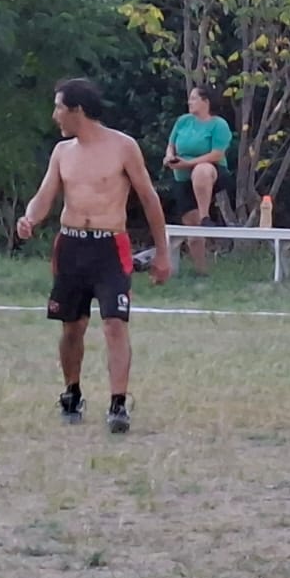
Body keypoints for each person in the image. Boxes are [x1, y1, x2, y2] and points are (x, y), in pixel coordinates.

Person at [16, 78, 172, 434]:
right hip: (71, 246)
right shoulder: (62, 152)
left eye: (59, 107)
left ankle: (118, 403)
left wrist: (163, 253)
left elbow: (149, 198)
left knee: (115, 323)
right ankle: (71, 393)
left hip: (110, 246)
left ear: (78, 110)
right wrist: (29, 218)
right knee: (73, 326)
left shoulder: (123, 147)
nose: (55, 115)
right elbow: (45, 195)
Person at [163, 84, 232, 275]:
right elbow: (171, 145)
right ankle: (201, 272)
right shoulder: (183, 121)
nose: (189, 102)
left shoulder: (218, 124)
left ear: (205, 102)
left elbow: (217, 154)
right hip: (183, 178)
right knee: (191, 229)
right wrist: (170, 157)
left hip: (211, 172)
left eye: (194, 98)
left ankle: (205, 216)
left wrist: (189, 163)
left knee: (200, 170)